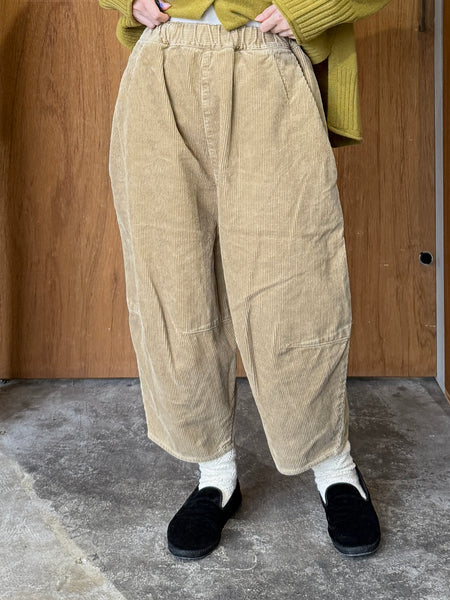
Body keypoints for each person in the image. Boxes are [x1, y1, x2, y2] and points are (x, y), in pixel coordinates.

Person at [99, 0, 391, 560]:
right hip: (163, 63)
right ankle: (214, 473)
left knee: (295, 279)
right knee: (173, 280)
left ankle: (334, 467)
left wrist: (311, 8)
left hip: (266, 59)